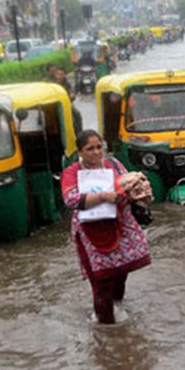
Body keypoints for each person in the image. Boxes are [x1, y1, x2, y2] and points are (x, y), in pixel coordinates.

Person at [62, 130, 152, 325]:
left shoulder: (112, 164)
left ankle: (118, 314)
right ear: (80, 152)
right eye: (90, 149)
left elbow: (128, 183)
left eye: (99, 147)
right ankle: (106, 328)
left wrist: (137, 192)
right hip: (92, 231)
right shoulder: (72, 172)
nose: (96, 152)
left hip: (120, 224)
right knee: (101, 281)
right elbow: (71, 200)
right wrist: (103, 196)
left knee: (121, 272)